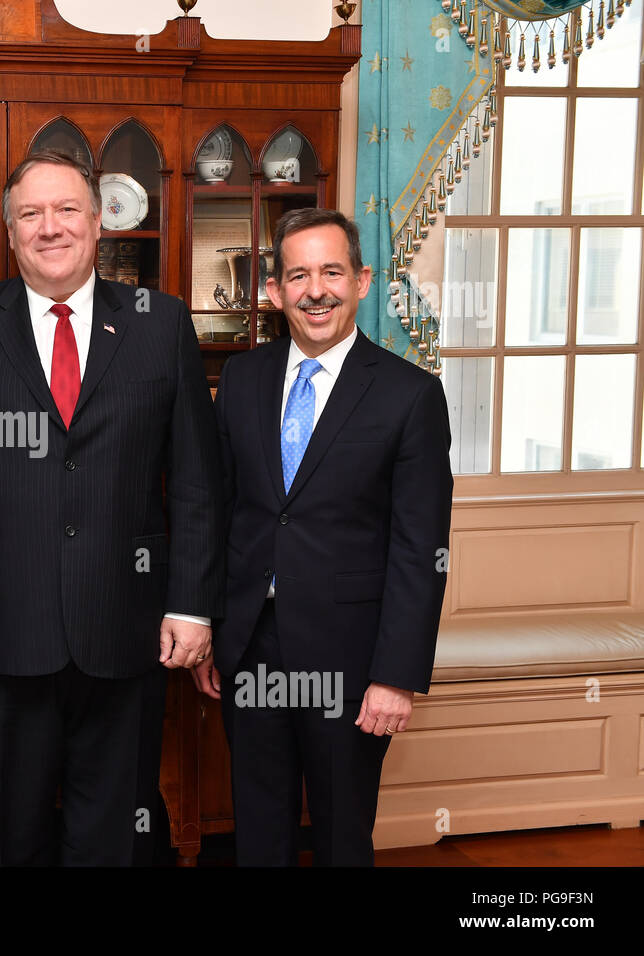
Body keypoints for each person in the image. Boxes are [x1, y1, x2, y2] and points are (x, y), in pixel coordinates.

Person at [0, 150, 222, 866]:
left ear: (98, 219)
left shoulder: (160, 323)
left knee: (112, 831)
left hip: (127, 623)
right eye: (30, 214)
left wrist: (192, 606)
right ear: (11, 230)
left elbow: (198, 480)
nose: (49, 228)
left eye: (65, 210)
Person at [198, 207, 453, 866]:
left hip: (352, 660)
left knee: (342, 835)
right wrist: (210, 630)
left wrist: (396, 678)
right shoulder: (243, 381)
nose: (317, 290)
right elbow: (222, 514)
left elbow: (419, 551)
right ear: (276, 290)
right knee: (258, 830)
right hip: (250, 645)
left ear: (362, 281)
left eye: (333, 272)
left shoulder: (409, 396)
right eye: (299, 275)